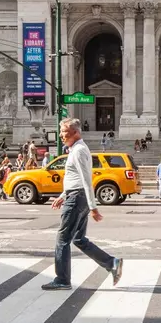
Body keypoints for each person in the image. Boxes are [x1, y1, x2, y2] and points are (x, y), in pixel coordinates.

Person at [43, 118, 123, 291]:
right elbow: (77, 179)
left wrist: (93, 207)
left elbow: (87, 180)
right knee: (78, 239)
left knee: (62, 240)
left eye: (64, 132)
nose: (61, 136)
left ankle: (62, 280)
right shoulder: (75, 149)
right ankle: (111, 263)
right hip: (75, 196)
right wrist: (63, 195)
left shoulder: (79, 151)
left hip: (77, 198)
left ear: (75, 132)